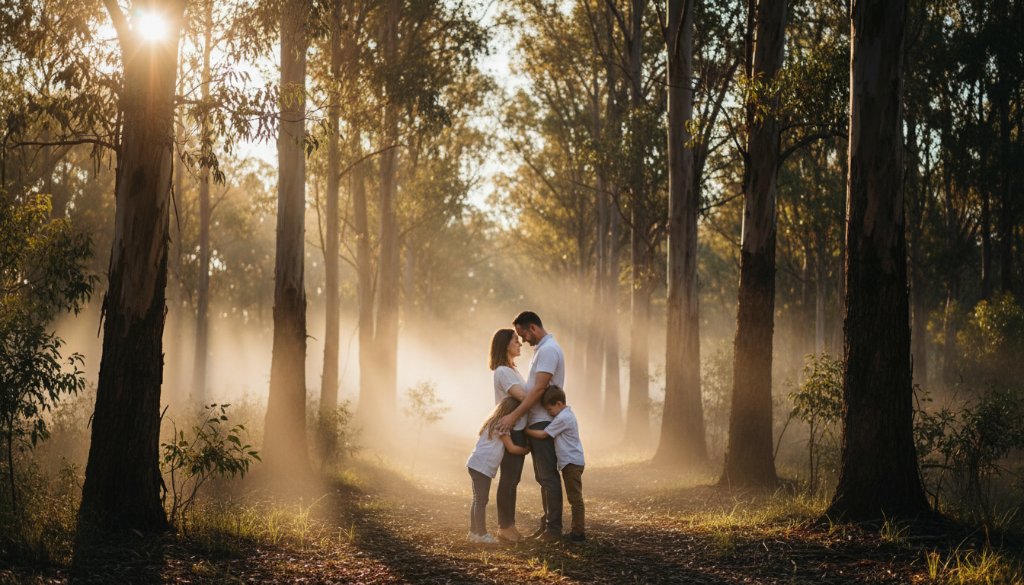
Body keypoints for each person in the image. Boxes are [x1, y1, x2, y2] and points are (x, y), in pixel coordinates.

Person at [497, 311, 565, 542]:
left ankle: (553, 530)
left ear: (533, 328)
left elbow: (538, 390)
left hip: (543, 421)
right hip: (536, 421)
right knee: (543, 477)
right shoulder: (542, 351)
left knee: (547, 476)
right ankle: (547, 526)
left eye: (522, 334)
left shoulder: (547, 350)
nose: (523, 340)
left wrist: (514, 415)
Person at [525, 385, 586, 542]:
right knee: (574, 497)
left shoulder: (563, 418)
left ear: (559, 404)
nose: (549, 413)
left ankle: (578, 533)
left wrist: (526, 431)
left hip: (572, 463)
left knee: (575, 498)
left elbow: (544, 434)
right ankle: (576, 530)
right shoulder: (565, 416)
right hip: (569, 462)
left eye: (550, 410)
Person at [466, 397, 530, 544]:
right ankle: (481, 534)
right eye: (517, 416)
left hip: (475, 463)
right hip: (482, 466)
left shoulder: (492, 421)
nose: (517, 419)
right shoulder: (502, 426)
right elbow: (512, 448)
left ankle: (473, 532)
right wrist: (526, 449)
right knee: (481, 501)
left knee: (477, 500)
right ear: (510, 413)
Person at [489, 329, 529, 542]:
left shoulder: (513, 370)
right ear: (505, 344)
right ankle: (505, 527)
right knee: (509, 479)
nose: (520, 344)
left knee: (513, 479)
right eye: (516, 341)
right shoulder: (503, 371)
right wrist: (540, 393)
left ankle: (508, 525)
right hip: (511, 430)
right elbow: (523, 396)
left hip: (519, 428)